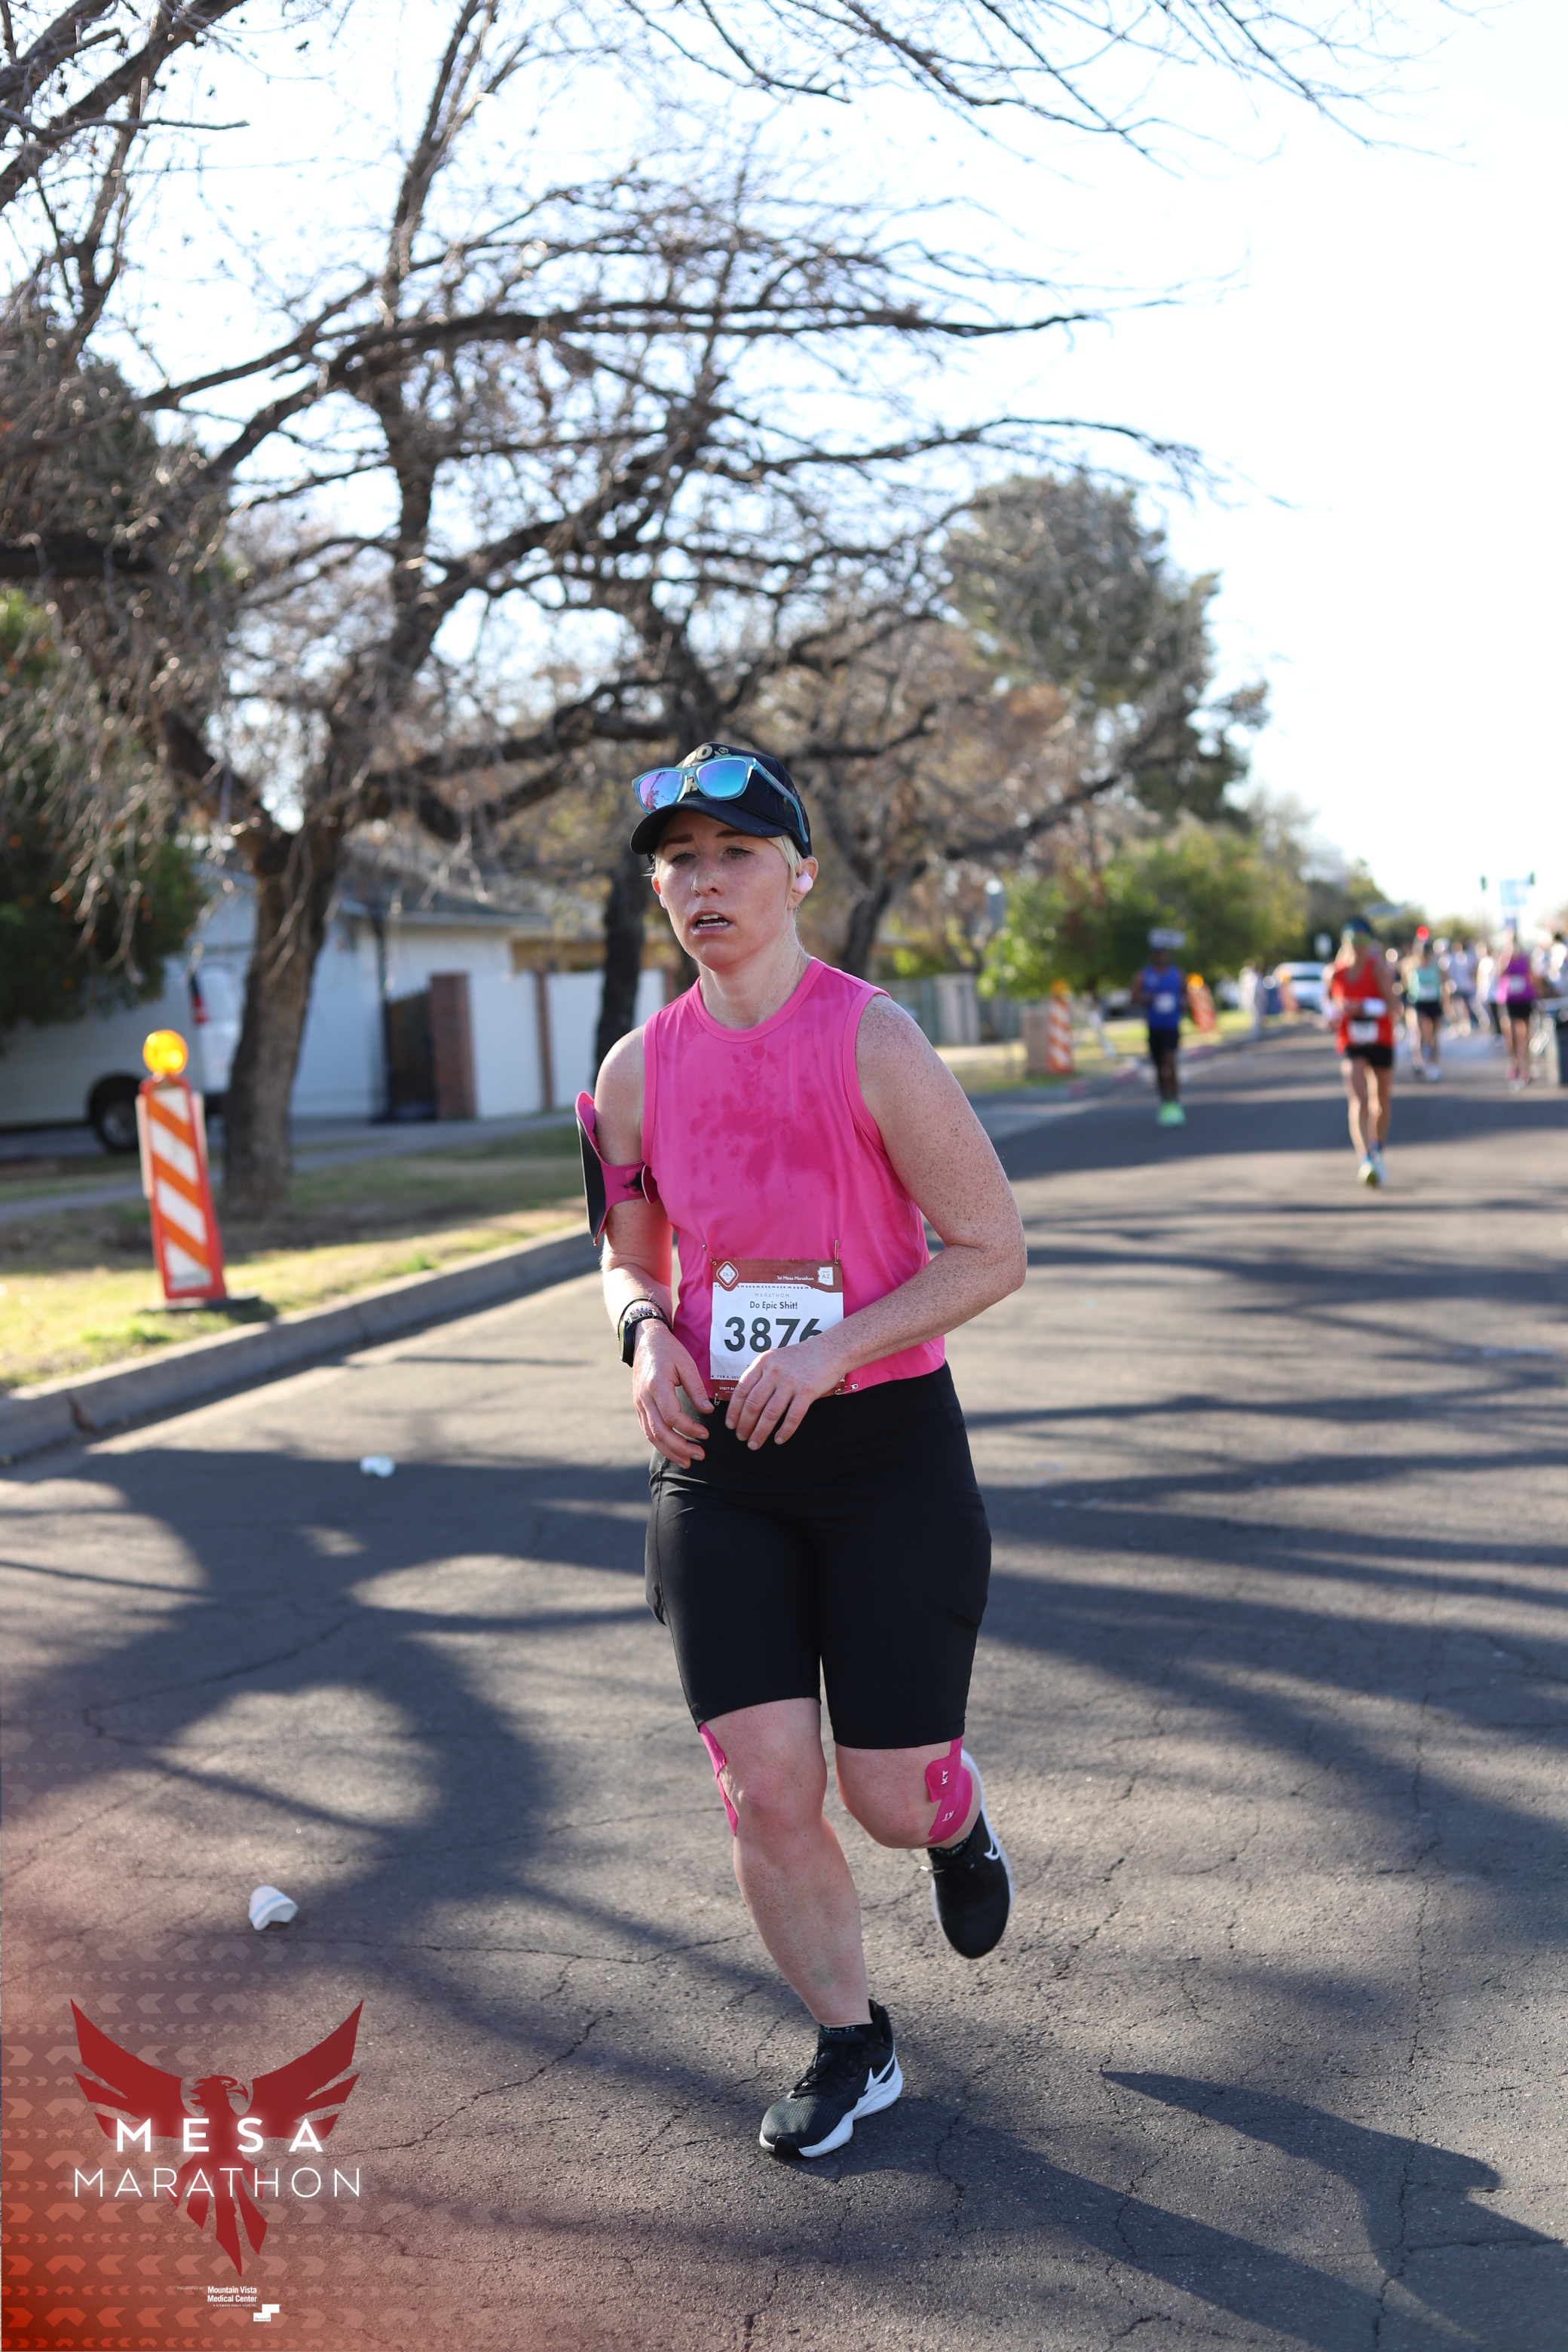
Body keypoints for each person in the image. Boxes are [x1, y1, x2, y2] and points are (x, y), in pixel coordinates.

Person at [582, 742, 1026, 2162]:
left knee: (886, 1795)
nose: (703, 884)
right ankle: (852, 2041)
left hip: (883, 1451)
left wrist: (833, 1348)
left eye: (735, 856)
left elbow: (991, 1249)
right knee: (764, 1784)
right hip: (721, 1461)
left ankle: (954, 1824)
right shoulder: (636, 1070)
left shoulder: (873, 1041)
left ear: (799, 875)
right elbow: (627, 1248)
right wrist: (645, 1333)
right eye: (679, 863)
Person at [1326, 919, 1395, 1186]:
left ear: (1369, 943)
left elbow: (1394, 1007)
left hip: (1381, 1039)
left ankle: (1377, 1150)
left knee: (1380, 1104)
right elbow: (1329, 1004)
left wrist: (1364, 1007)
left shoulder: (1378, 970)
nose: (1357, 946)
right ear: (1344, 943)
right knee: (1359, 1101)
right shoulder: (1335, 973)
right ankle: (1365, 1159)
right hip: (1352, 1041)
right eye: (1351, 941)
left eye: (1362, 941)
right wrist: (1333, 1016)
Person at [1132, 929, 1188, 1126]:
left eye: (1163, 953)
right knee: (1158, 1067)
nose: (1160, 957)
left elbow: (1186, 996)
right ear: (1152, 955)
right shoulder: (1143, 976)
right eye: (1156, 953)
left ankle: (1175, 1101)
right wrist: (1147, 999)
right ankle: (1164, 1102)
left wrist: (1183, 1003)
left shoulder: (1177, 974)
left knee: (1169, 1061)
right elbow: (1133, 998)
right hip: (1155, 1027)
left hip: (1171, 1026)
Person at [1495, 930, 1536, 1089]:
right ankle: (1514, 1063)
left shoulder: (1526, 958)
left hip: (1525, 999)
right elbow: (1499, 975)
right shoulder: (1503, 957)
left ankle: (1526, 1065)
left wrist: (1537, 996)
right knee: (1510, 1034)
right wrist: (1507, 959)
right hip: (1509, 1000)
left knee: (1525, 1034)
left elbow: (1531, 976)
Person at [1403, 929, 1444, 1079]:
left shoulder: (1437, 965)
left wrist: (1446, 998)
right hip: (1417, 1002)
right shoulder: (1409, 965)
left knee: (1433, 1035)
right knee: (1419, 1032)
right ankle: (1419, 1061)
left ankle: (1434, 1064)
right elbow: (1404, 984)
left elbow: (1445, 981)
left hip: (1433, 1001)